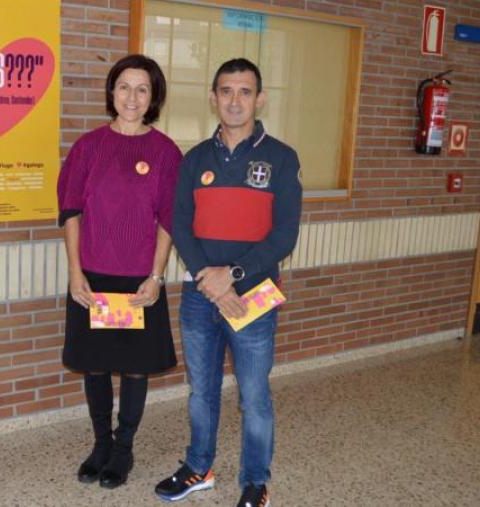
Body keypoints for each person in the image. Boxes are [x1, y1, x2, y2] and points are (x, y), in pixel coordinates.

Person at [153, 58, 302, 507]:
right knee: (202, 392)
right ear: (214, 97)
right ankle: (199, 467)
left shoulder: (281, 158)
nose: (234, 100)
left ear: (260, 98)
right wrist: (210, 280)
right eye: (226, 91)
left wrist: (231, 276)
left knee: (254, 396)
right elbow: (181, 224)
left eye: (244, 91)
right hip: (201, 298)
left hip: (252, 297)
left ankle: (256, 482)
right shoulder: (195, 158)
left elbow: (284, 235)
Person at [57, 54, 182, 489]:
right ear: (112, 93)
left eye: (142, 88)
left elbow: (169, 218)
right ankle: (100, 444)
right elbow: (71, 210)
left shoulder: (165, 152)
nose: (132, 96)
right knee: (94, 365)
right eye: (124, 87)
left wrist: (156, 276)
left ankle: (124, 448)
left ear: (154, 98)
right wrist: (75, 273)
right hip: (93, 277)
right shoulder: (88, 147)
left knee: (133, 367)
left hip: (137, 283)